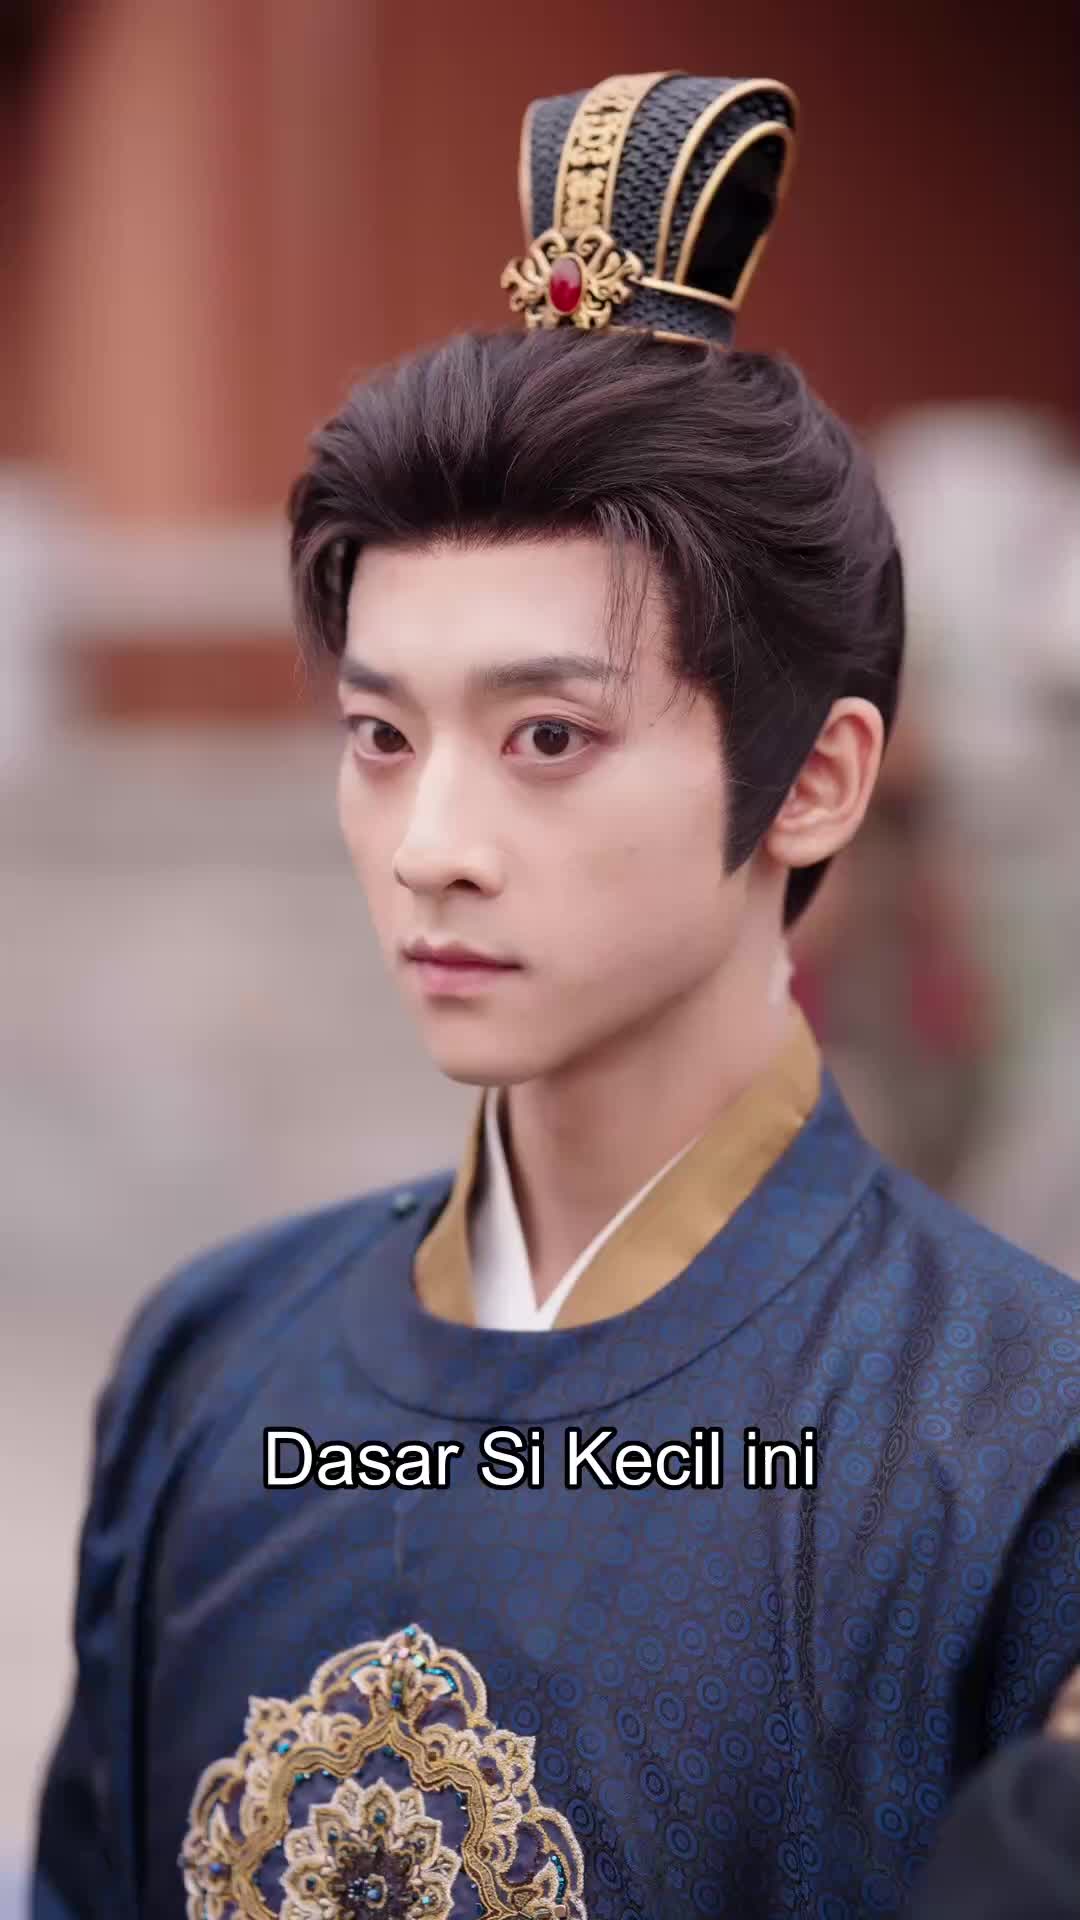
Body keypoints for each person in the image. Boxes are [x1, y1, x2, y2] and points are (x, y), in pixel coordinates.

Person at [33, 68, 1080, 1920]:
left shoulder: (1015, 1444)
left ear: (816, 778)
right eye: (380, 736)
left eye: (546, 738)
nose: (431, 845)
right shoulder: (212, 1364)